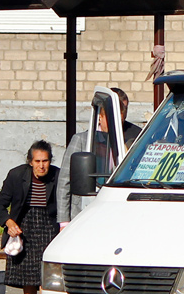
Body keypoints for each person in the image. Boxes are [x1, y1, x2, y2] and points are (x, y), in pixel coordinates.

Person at [0, 140, 60, 294]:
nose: (41, 166)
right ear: (30, 161)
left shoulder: (58, 176)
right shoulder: (17, 175)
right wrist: (8, 222)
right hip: (25, 224)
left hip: (49, 224)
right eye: (37, 161)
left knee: (47, 271)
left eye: (45, 161)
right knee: (29, 272)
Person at [57, 88, 136, 228]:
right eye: (112, 120)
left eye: (120, 120)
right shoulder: (81, 140)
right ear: (101, 116)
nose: (117, 125)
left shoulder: (126, 142)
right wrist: (64, 222)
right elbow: (64, 182)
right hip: (82, 214)